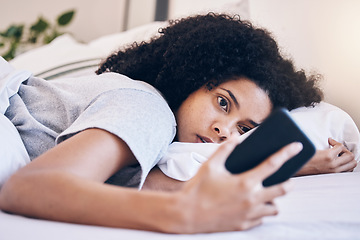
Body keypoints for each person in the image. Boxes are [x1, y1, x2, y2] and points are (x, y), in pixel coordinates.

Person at [0, 13, 355, 234]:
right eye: (222, 102)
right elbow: (29, 189)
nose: (224, 131)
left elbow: (146, 182)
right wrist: (185, 214)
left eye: (244, 129)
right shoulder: (146, 106)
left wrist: (293, 164)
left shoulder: (154, 133)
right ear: (192, 77)